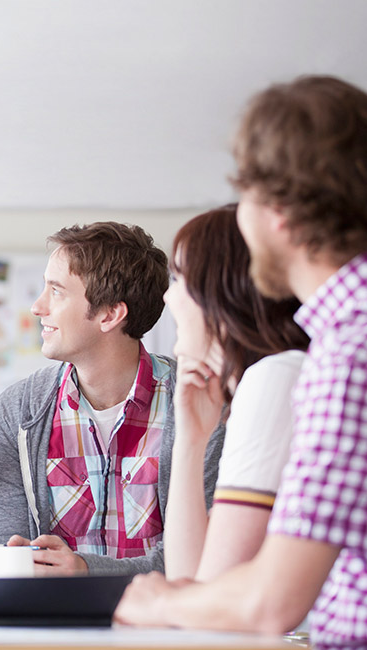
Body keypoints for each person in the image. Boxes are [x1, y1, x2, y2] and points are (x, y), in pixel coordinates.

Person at [115, 75, 367, 649]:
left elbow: (269, 600)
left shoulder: (346, 355)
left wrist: (162, 600)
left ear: (279, 211)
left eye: (246, 194)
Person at [0, 222, 225, 576]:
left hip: (163, 625)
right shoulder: (20, 410)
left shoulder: (197, 404)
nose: (37, 307)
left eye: (57, 291)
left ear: (110, 314)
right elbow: (7, 552)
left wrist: (85, 570)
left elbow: (197, 561)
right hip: (55, 625)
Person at [161, 205, 308, 582]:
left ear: (220, 293)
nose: (168, 299)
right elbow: (188, 576)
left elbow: (207, 590)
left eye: (179, 278)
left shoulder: (274, 380)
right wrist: (191, 440)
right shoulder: (265, 381)